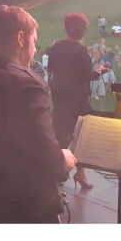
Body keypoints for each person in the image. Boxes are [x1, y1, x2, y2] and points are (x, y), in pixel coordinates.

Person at [0, 5, 76, 222]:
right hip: (23, 211)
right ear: (21, 38)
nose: (35, 50)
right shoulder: (29, 86)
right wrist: (64, 159)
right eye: (34, 41)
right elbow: (48, 158)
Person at [47, 13, 105, 190]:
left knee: (59, 134)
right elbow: (87, 75)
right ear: (82, 31)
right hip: (76, 99)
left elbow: (51, 68)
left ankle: (56, 173)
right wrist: (100, 71)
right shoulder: (80, 50)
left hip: (59, 98)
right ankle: (80, 173)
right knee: (80, 137)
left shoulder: (56, 47)